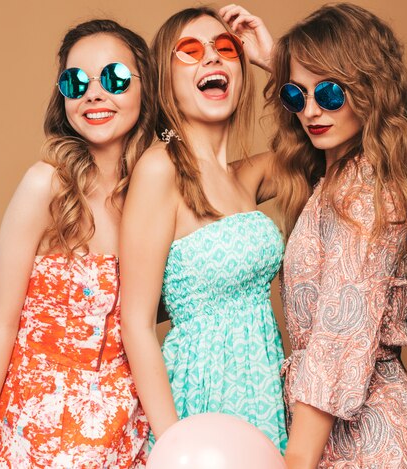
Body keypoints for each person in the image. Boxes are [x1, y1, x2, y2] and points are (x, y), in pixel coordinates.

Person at [222, 3, 407, 468]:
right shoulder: (340, 174)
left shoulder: (363, 192)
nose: (310, 110)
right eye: (294, 95)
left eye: (328, 92)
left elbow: (336, 340)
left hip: (362, 443)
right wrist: (280, 60)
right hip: (345, 433)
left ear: (370, 90)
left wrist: (296, 459)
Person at [0, 19, 156, 468]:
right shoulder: (44, 186)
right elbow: (1, 326)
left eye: (115, 78)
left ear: (146, 91)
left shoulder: (153, 196)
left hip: (125, 438)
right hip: (34, 437)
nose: (94, 93)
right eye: (75, 81)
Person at [120, 6, 287, 453]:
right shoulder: (160, 169)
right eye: (190, 51)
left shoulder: (244, 177)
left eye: (225, 48)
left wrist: (276, 59)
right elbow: (135, 322)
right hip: (200, 403)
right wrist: (176, 444)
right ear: (165, 81)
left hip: (263, 396)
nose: (212, 58)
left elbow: (334, 134)